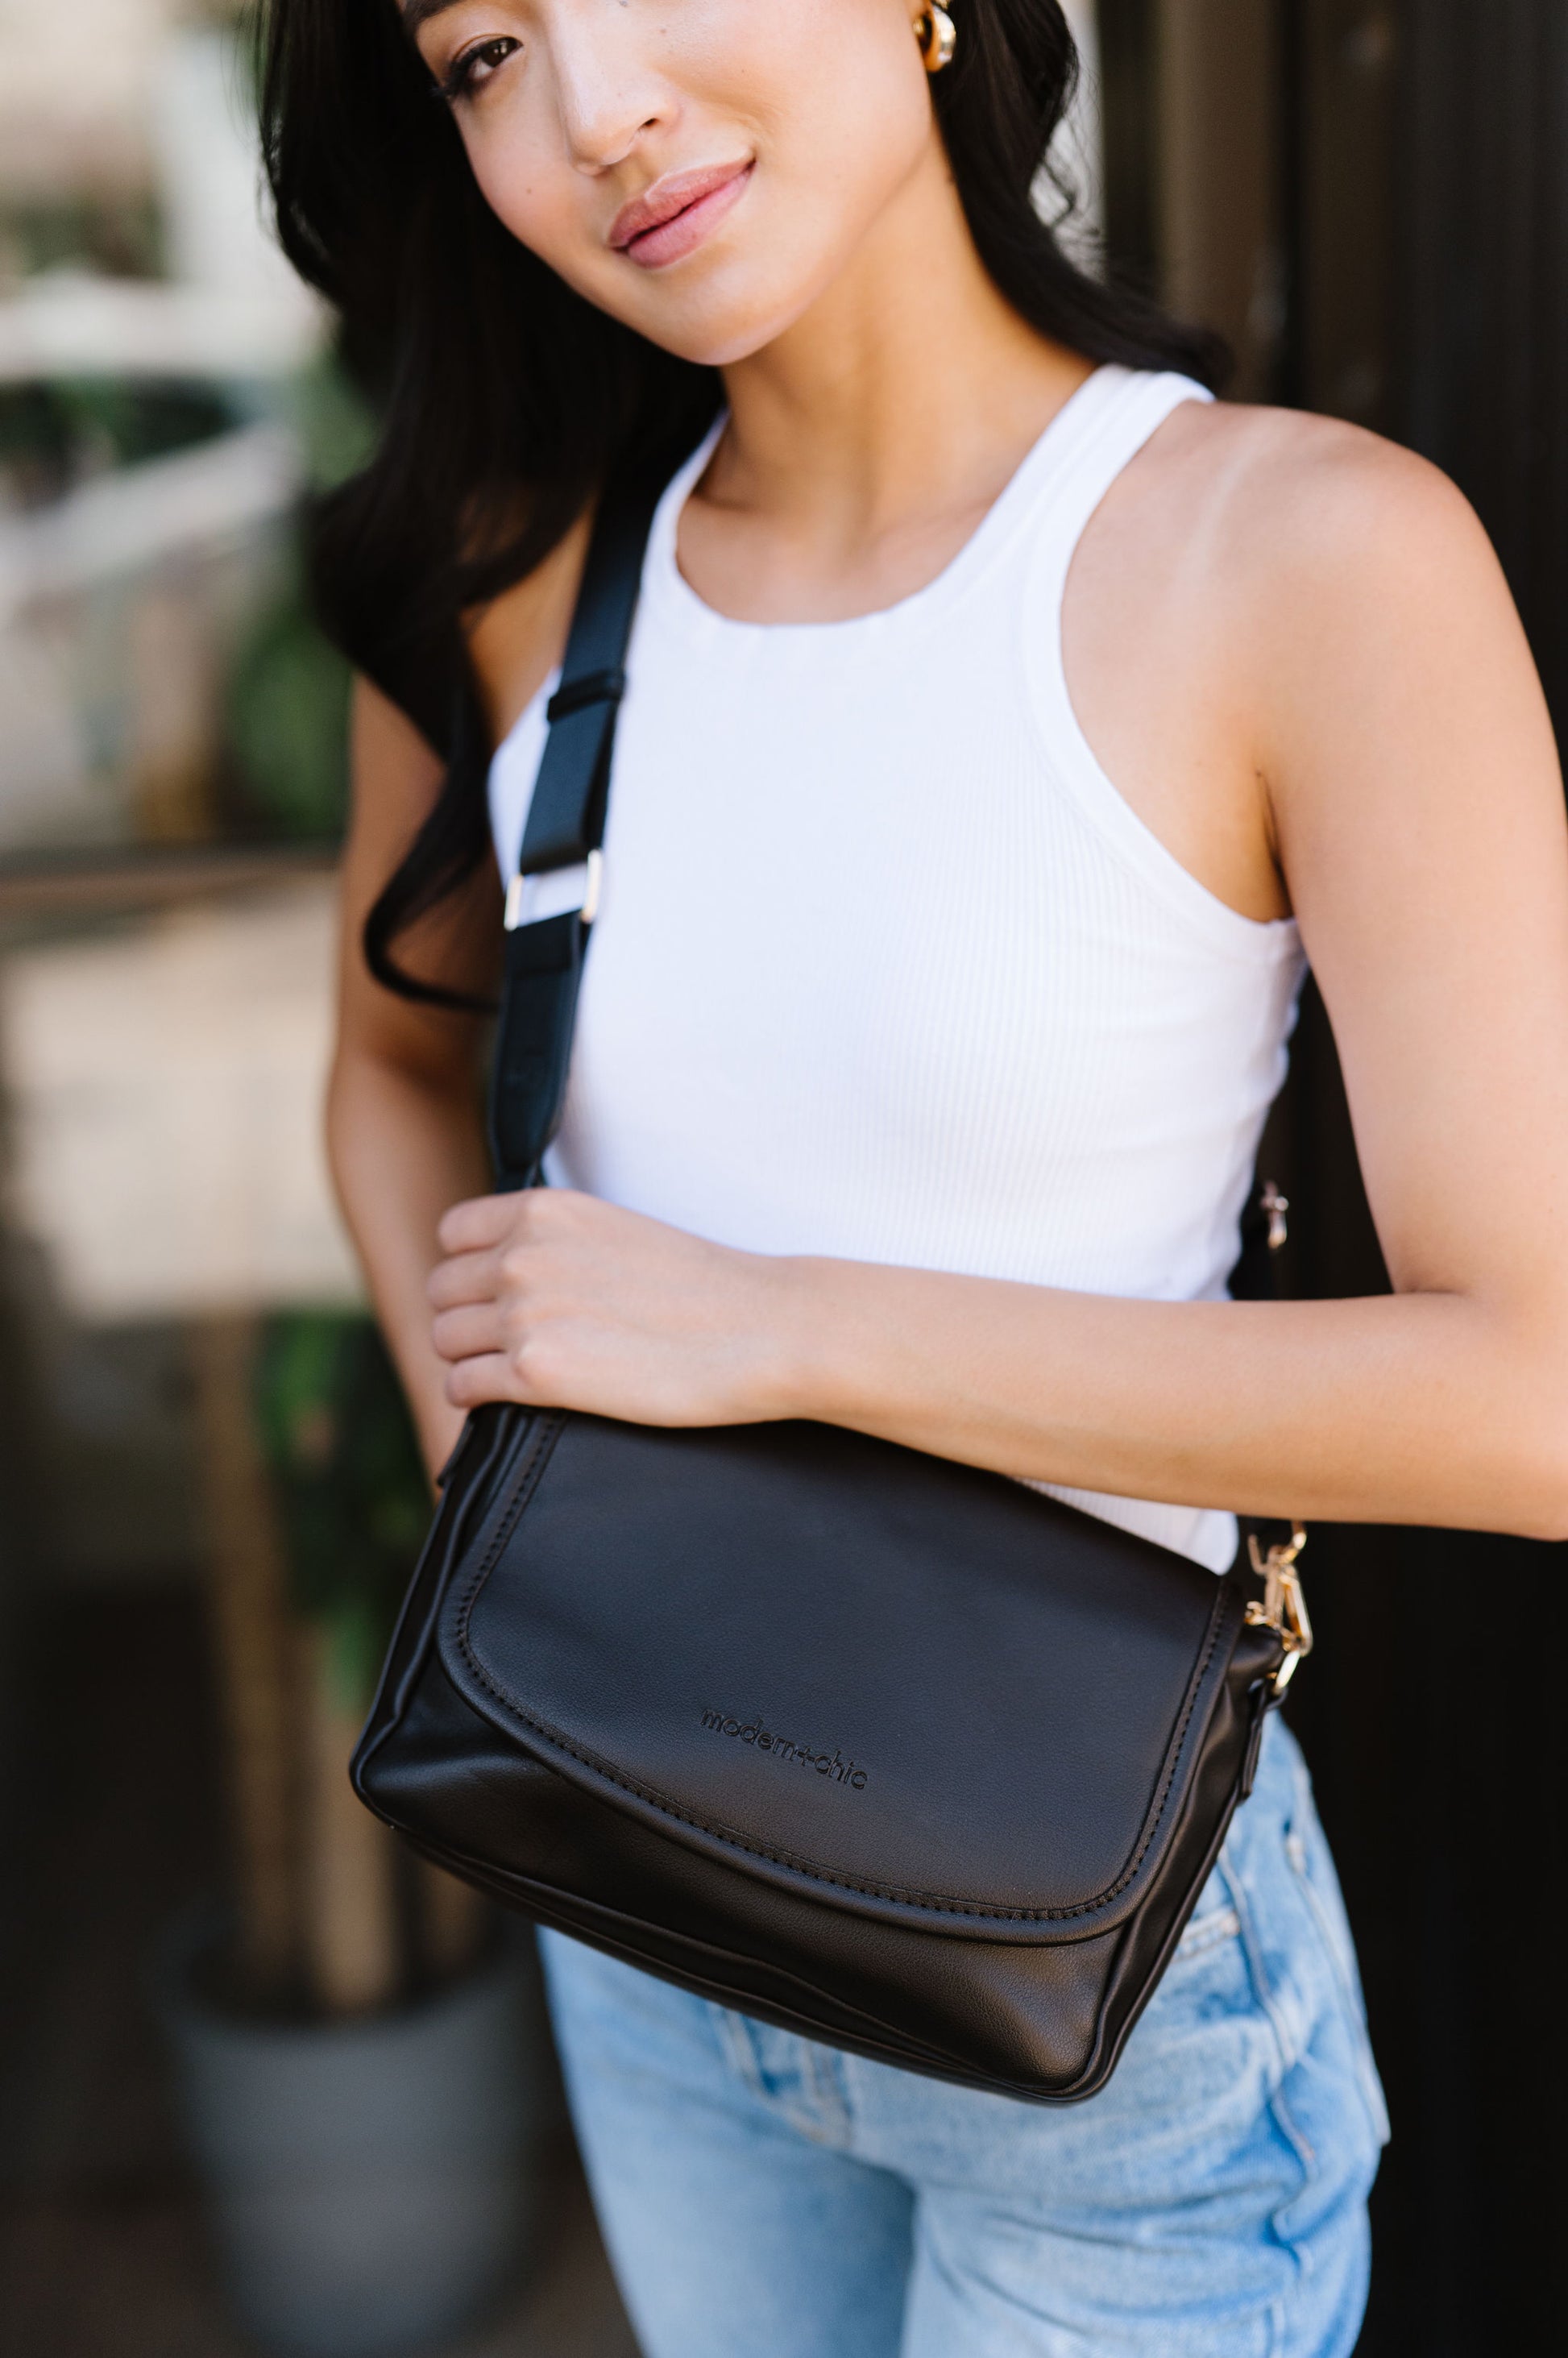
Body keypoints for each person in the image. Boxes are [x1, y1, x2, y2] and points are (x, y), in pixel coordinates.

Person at [261, 2, 1568, 2350]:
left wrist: (783, 1331)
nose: (595, 113)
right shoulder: (522, 581)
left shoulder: (1295, 555)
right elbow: (382, 1066)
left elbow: (1532, 1398)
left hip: (1102, 1981)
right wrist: (505, 1494)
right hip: (634, 1880)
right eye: (479, 57)